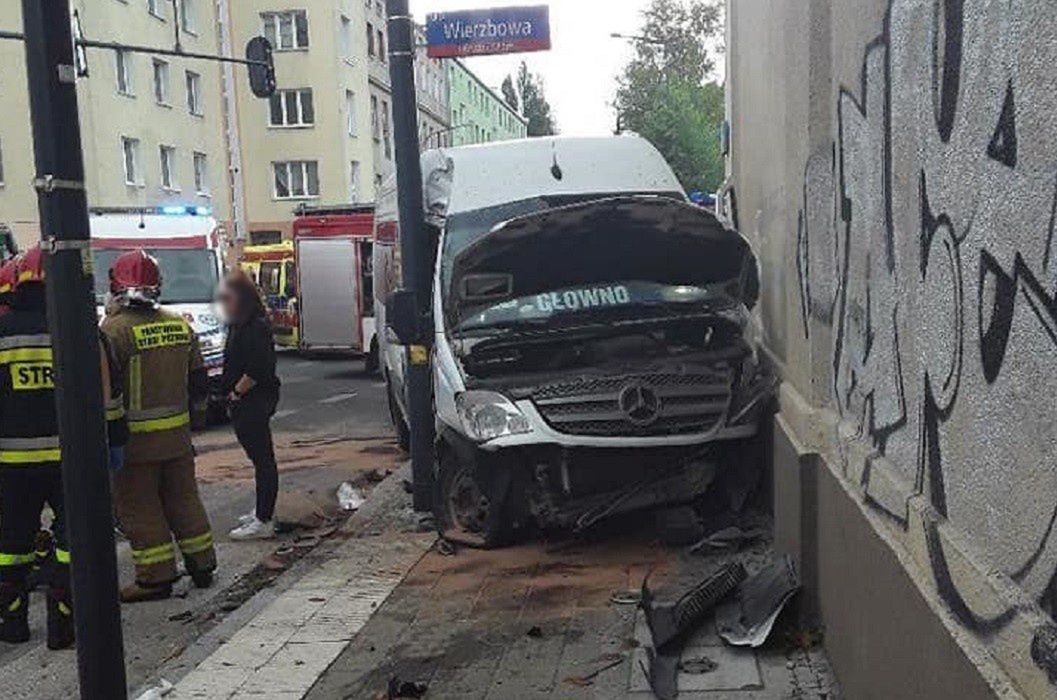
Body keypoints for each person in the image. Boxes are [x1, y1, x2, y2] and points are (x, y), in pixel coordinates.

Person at [0, 246, 127, 649]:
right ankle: (65, 624)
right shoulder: (80, 330)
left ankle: (11, 622)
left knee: (10, 543)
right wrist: (115, 440)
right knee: (74, 540)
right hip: (71, 460)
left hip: (10, 463)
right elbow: (109, 395)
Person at [101, 250, 217, 602]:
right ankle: (202, 564)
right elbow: (200, 382)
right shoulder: (179, 323)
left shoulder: (113, 331)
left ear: (116, 287)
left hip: (134, 444)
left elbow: (107, 390)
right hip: (178, 439)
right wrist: (193, 422)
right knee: (184, 499)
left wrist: (111, 436)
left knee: (140, 507)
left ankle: (155, 578)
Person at [221, 270, 281, 540]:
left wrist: (237, 391)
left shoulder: (254, 327)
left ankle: (263, 519)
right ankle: (260, 510)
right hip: (246, 400)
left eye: (228, 297)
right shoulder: (240, 323)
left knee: (263, 460)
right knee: (259, 459)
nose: (224, 302)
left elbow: (259, 366)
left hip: (252, 401)